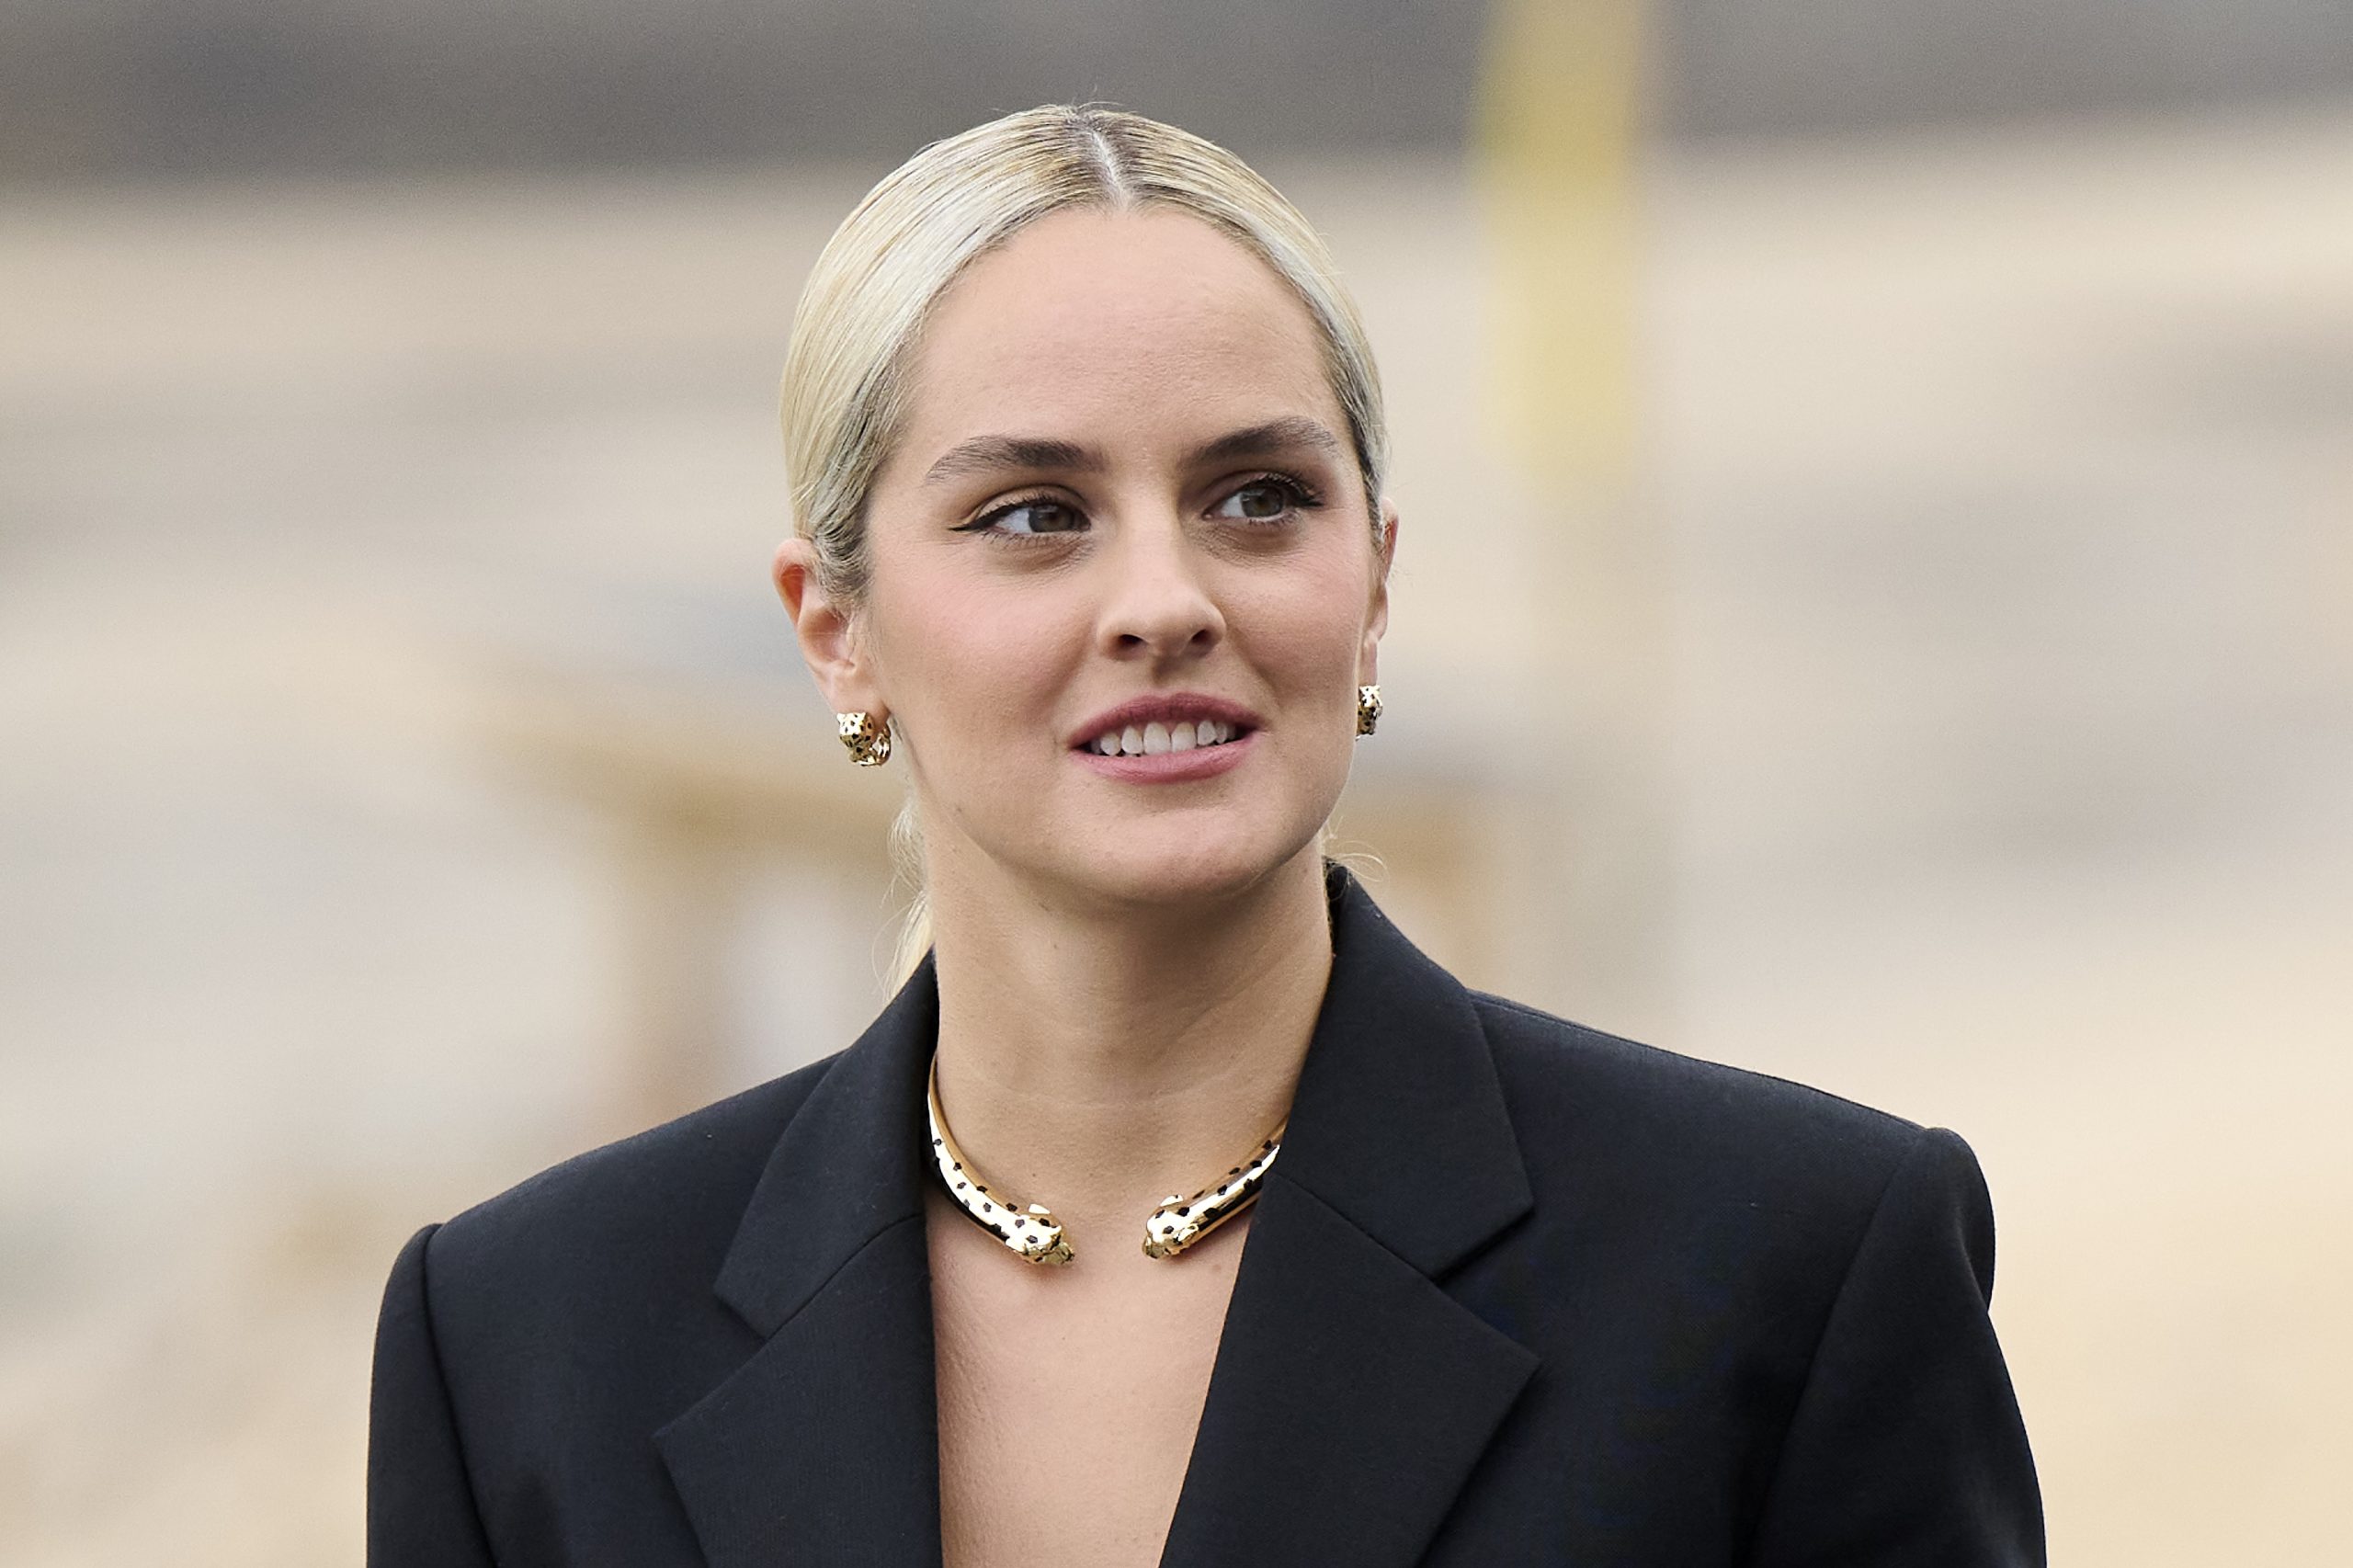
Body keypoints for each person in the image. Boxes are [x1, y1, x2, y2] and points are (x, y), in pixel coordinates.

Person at [367, 104, 2043, 1567]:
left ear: (1374, 583)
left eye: (1258, 497)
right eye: (1036, 513)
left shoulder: (1794, 1271)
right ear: (837, 630)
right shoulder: (518, 1338)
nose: (1165, 600)